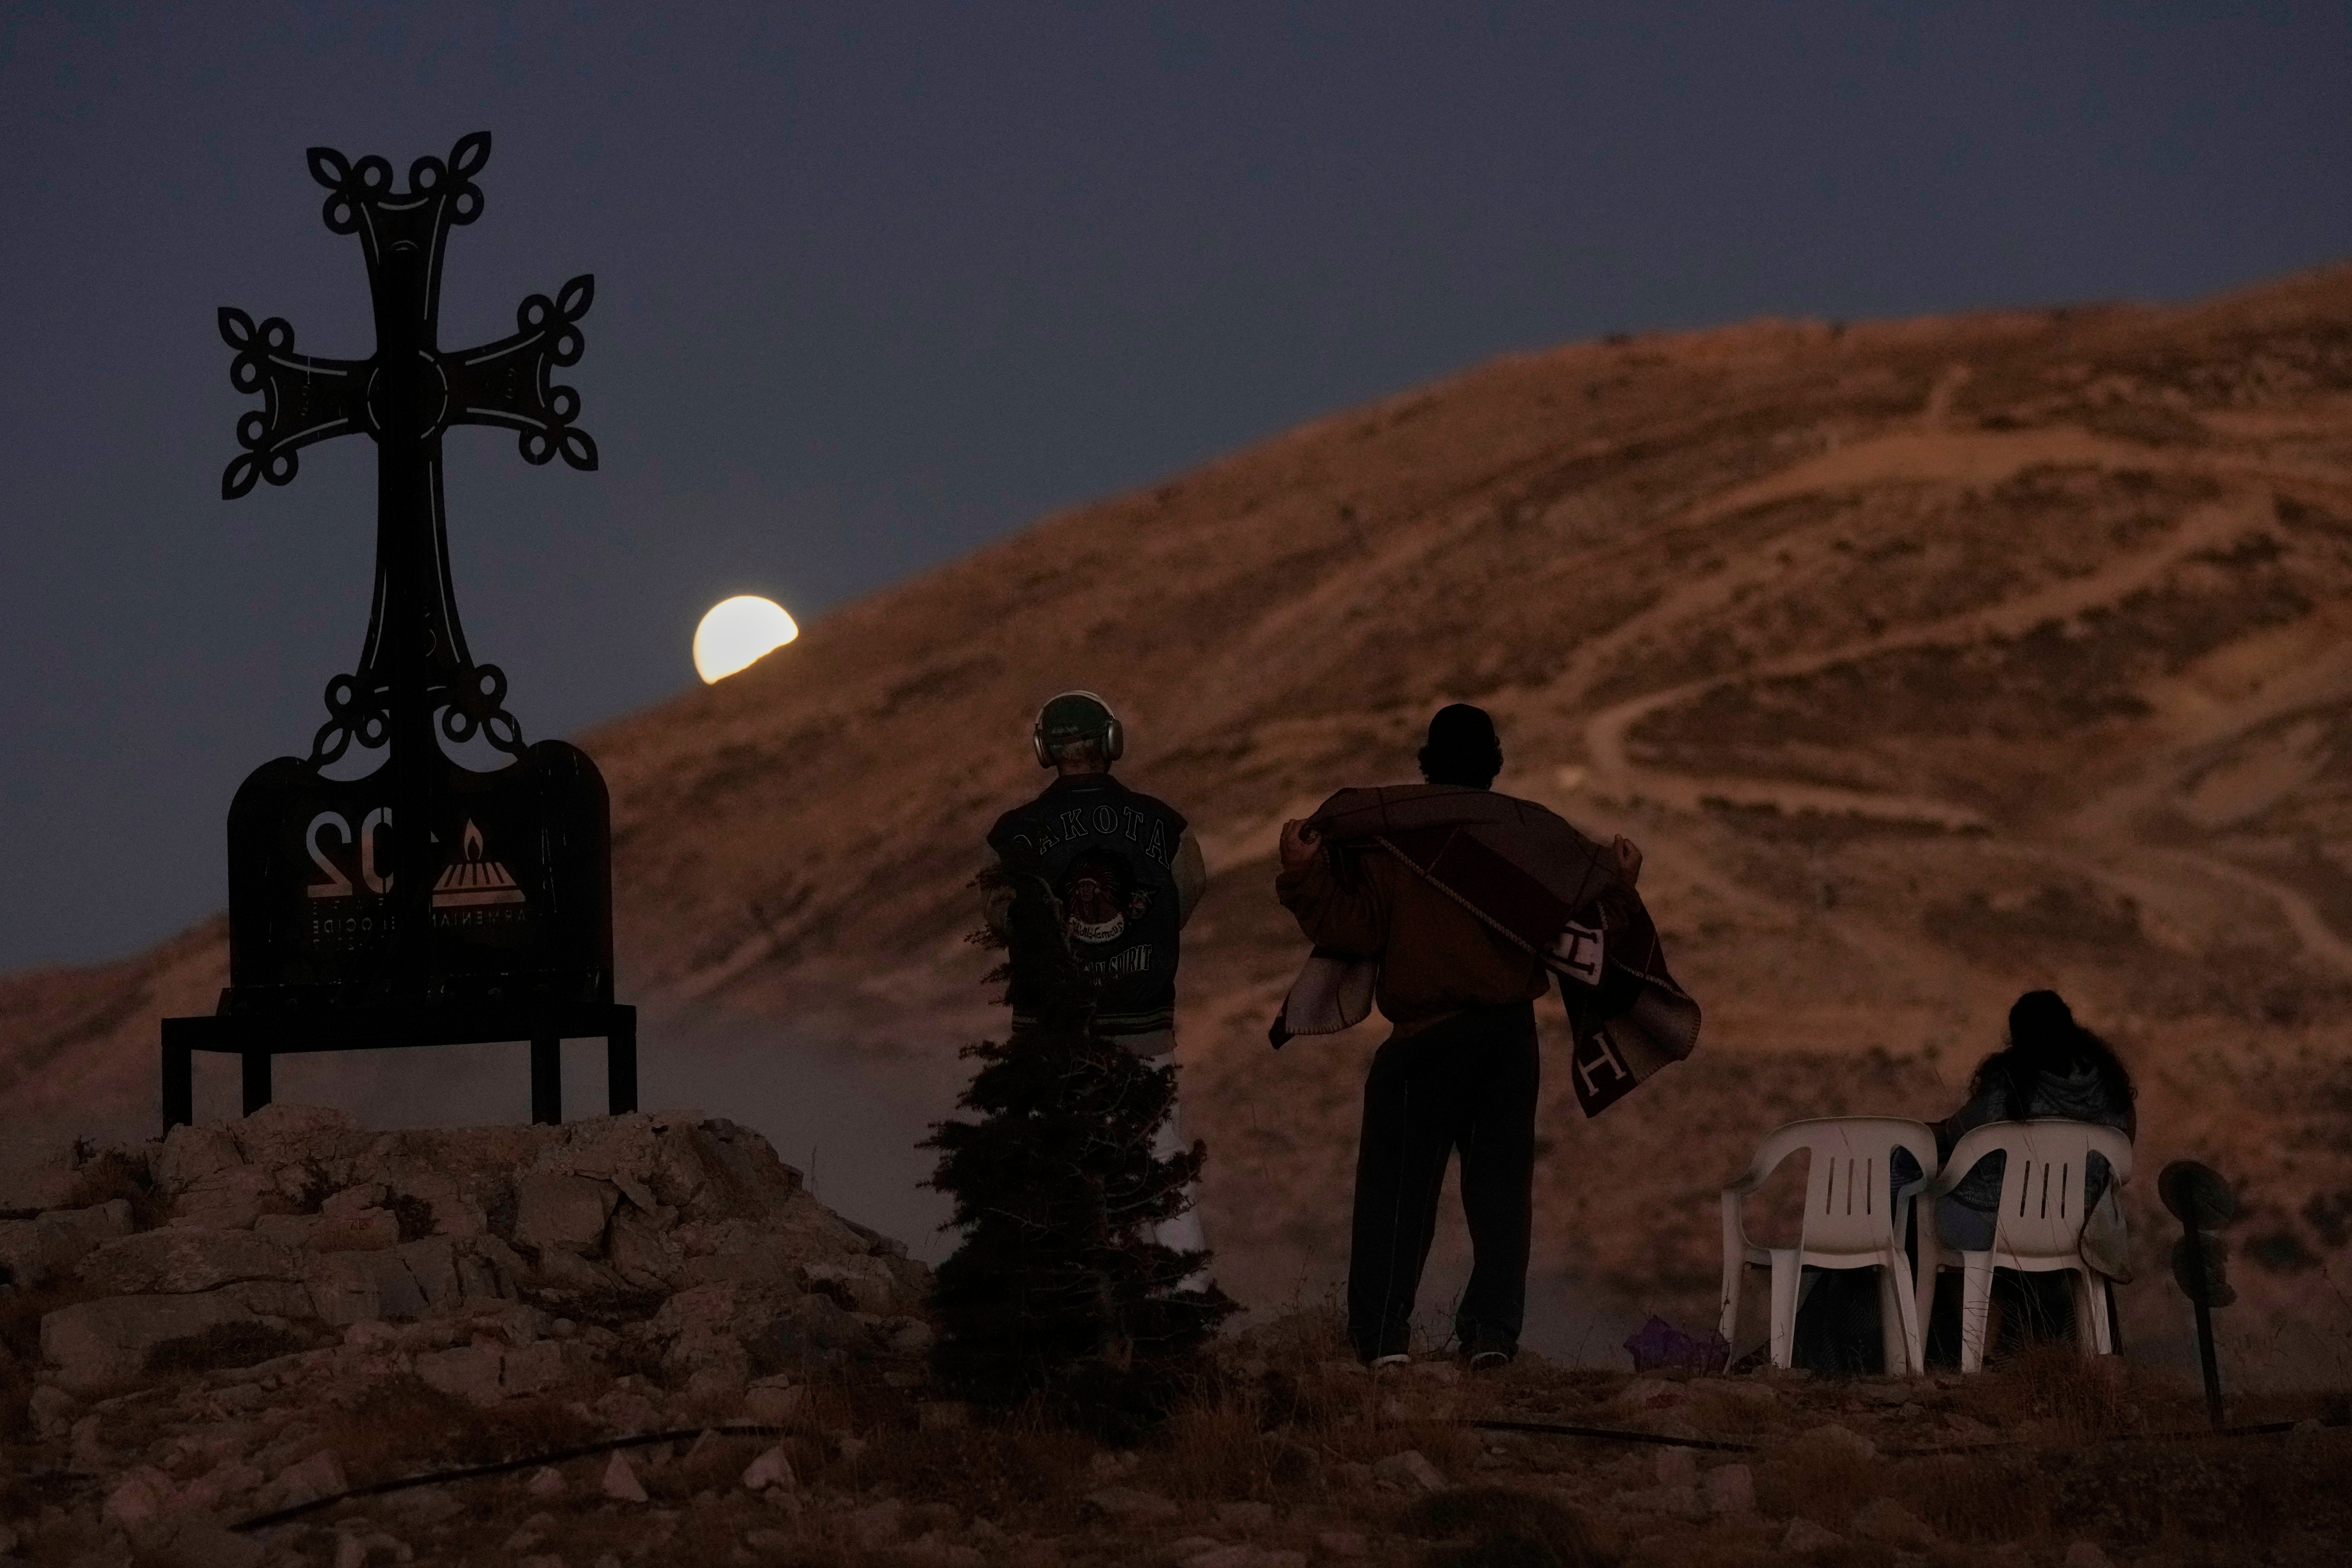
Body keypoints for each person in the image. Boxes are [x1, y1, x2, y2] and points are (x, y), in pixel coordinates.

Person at [1274, 703, 1691, 1370]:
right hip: (1507, 1043)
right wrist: (1622, 886)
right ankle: (1491, 1337)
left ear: (1428, 763)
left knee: (1396, 1196)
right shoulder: (1531, 839)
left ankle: (1382, 1342)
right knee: (1500, 1199)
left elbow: (1350, 927)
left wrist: (1302, 874)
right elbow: (1583, 930)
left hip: (1423, 1040)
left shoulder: (1397, 840)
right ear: (1493, 764)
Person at [984, 690, 1209, 1252]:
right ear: (1112, 742)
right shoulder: (1167, 825)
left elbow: (1003, 917)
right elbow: (1184, 897)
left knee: (1058, 1168)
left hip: (1051, 1034)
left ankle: (1078, 1294)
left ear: (1044, 750)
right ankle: (1186, 1291)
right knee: (1162, 1163)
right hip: (1143, 1026)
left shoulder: (1011, 835)